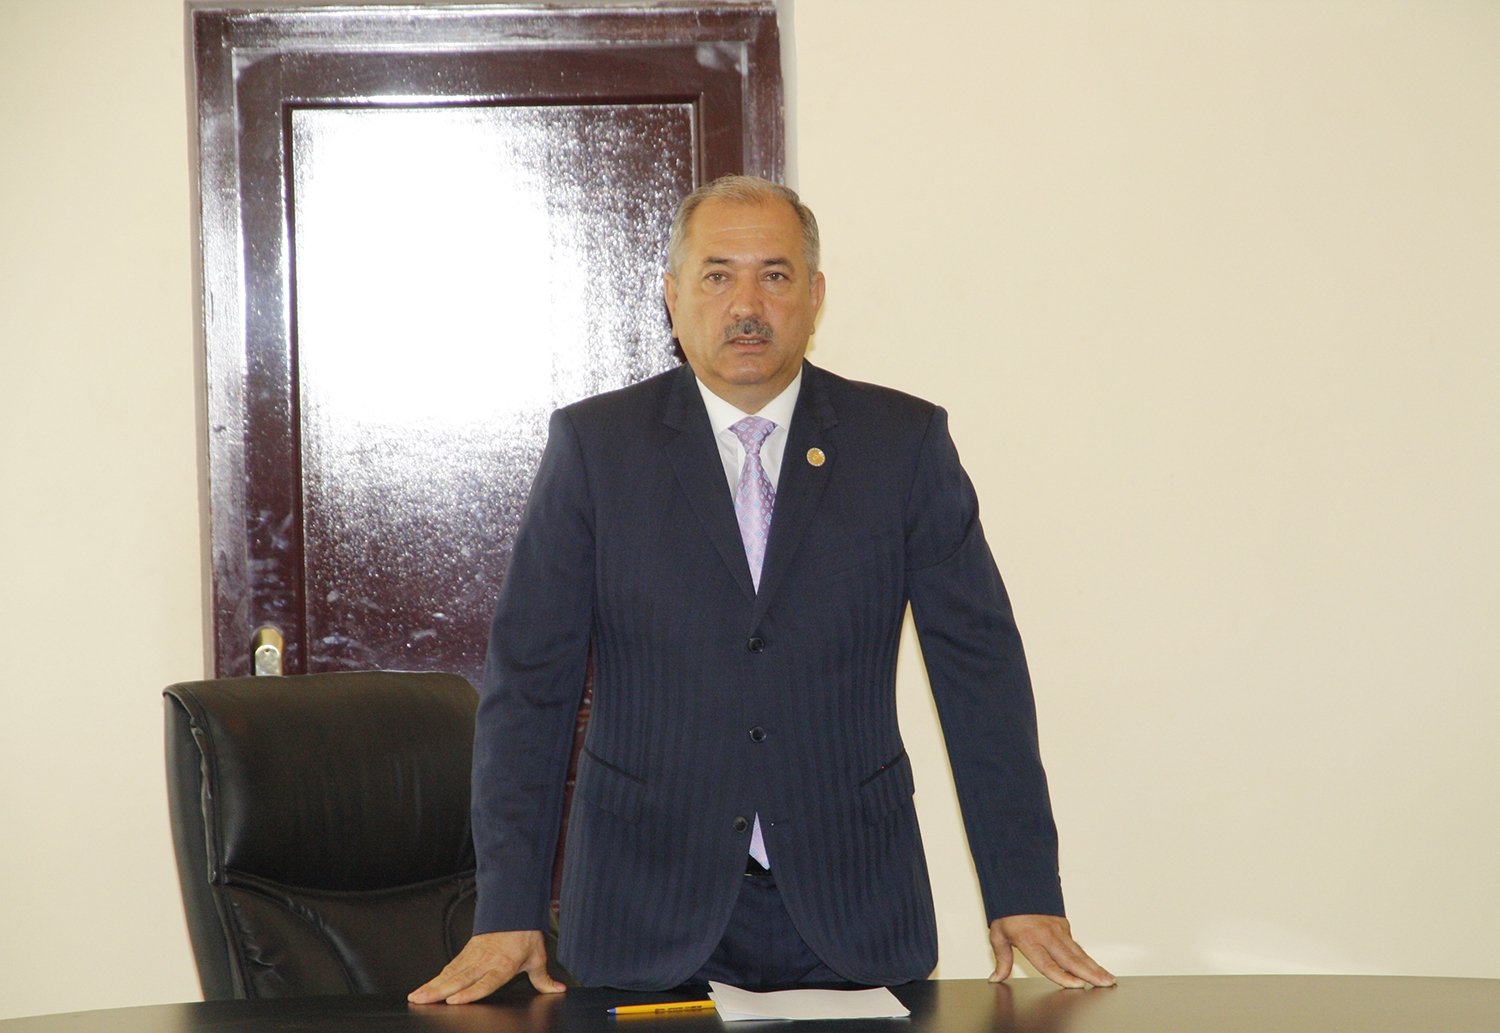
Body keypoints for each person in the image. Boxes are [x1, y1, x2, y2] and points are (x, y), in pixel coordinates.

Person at [410, 176, 1113, 1004]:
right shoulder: (597, 447)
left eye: (775, 275)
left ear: (815, 296)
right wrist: (509, 907)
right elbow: (531, 688)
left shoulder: (903, 443)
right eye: (717, 275)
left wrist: (1022, 887)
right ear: (673, 296)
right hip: (644, 907)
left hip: (854, 907)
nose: (747, 305)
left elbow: (979, 672)